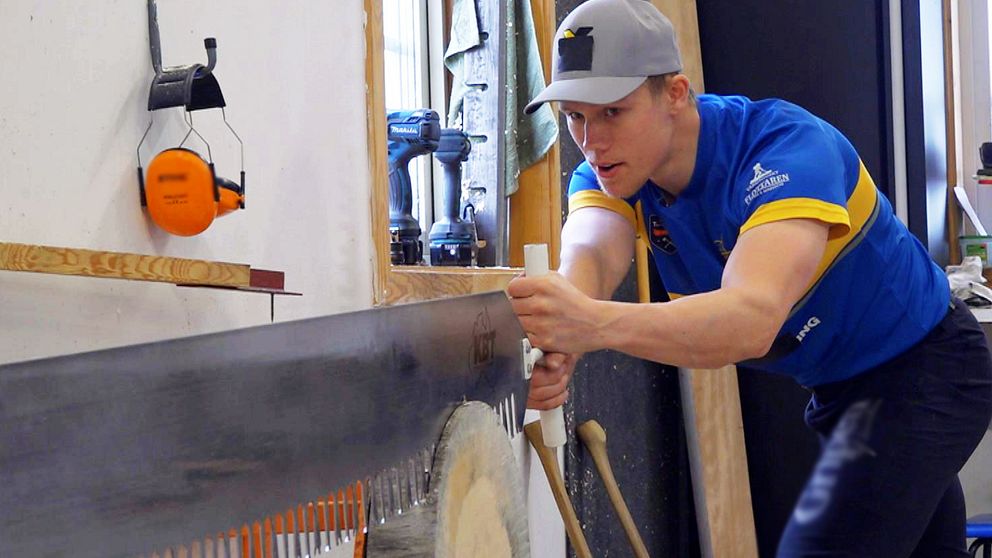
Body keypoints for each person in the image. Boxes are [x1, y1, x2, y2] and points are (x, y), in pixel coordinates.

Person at [507, 0, 992, 556]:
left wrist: (587, 324)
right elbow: (590, 254)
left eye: (612, 112)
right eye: (574, 116)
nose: (591, 141)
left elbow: (749, 321)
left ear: (675, 94)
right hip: (843, 392)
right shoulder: (615, 174)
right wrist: (561, 338)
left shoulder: (784, 149)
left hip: (927, 372)